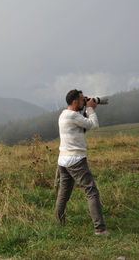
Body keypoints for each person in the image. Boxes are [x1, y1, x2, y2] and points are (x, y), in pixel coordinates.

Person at [55, 89, 109, 236]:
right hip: (76, 159)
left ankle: (59, 224)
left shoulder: (64, 115)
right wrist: (90, 108)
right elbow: (94, 125)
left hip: (63, 160)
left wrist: (86, 109)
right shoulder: (73, 115)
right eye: (81, 99)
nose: (83, 101)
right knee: (92, 192)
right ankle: (100, 229)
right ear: (74, 102)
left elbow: (82, 126)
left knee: (64, 193)